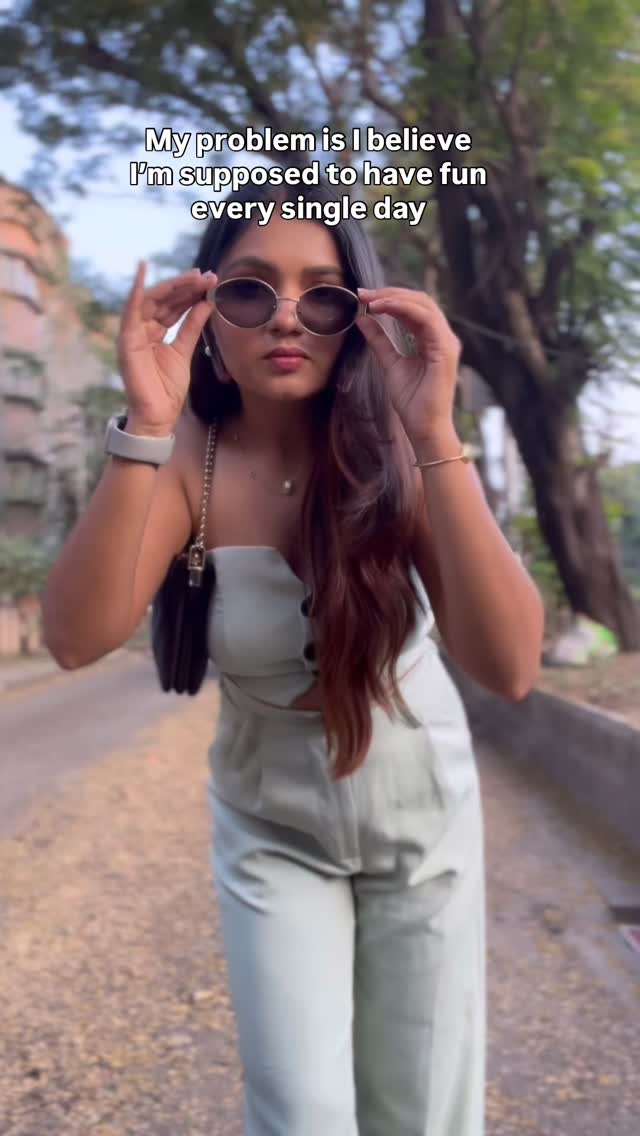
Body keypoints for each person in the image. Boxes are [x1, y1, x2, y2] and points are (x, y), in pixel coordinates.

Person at [42, 178, 544, 1136]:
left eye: (322, 294)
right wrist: (145, 422)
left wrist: (434, 433)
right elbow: (74, 638)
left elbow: (511, 665)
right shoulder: (184, 456)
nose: (284, 316)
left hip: (422, 813)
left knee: (421, 1112)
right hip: (270, 823)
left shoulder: (400, 447)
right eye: (248, 289)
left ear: (360, 317)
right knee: (300, 1113)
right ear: (205, 313)